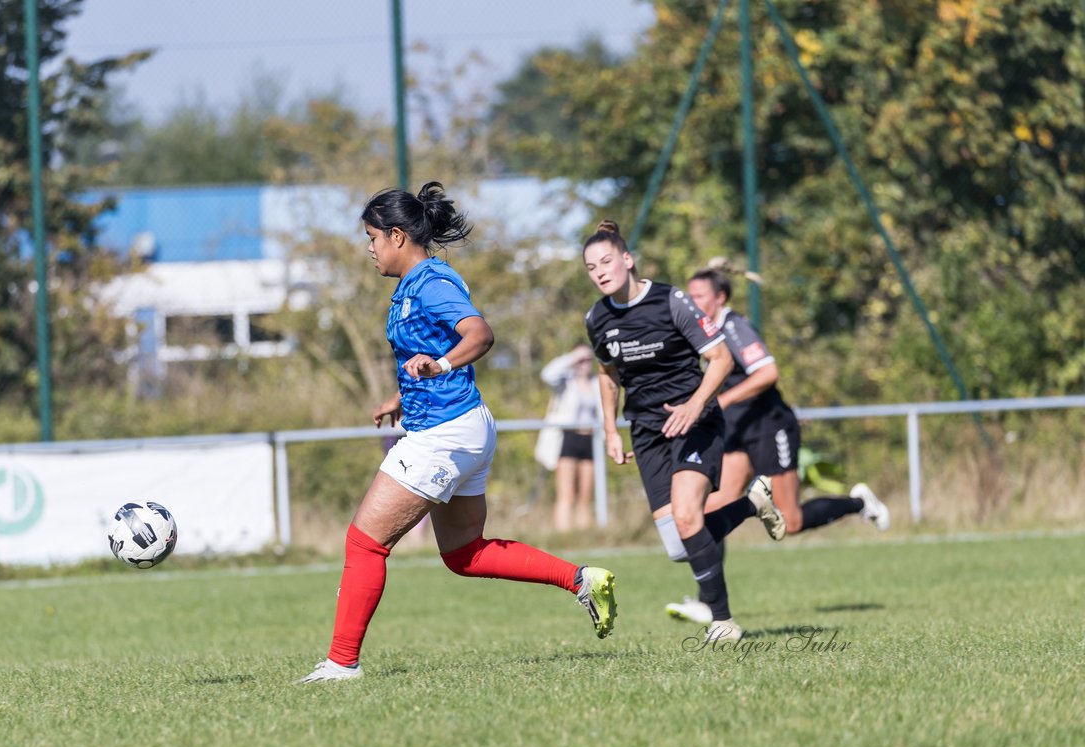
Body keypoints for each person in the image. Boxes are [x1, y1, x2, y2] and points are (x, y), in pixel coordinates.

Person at [299, 182, 618, 683]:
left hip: (445, 435)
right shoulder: (413, 286)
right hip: (459, 427)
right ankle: (582, 579)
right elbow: (426, 354)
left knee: (364, 543)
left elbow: (479, 333)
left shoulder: (430, 282)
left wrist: (442, 364)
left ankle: (341, 664)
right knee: (464, 553)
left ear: (398, 236)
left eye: (372, 237)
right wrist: (403, 395)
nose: (369, 248)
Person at [580, 221, 786, 643]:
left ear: (627, 259)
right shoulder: (597, 318)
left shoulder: (670, 300)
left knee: (690, 517)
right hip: (647, 431)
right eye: (590, 267)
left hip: (696, 420)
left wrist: (696, 405)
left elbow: (722, 358)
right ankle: (750, 504)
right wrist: (610, 430)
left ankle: (723, 622)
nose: (599, 272)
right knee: (679, 546)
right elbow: (607, 374)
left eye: (606, 262)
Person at [665, 262, 891, 627]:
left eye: (698, 297)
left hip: (771, 428)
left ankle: (858, 502)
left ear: (720, 298)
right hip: (737, 433)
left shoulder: (734, 327)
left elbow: (767, 373)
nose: (692, 303)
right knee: (706, 513)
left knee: (791, 521)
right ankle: (710, 602)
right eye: (688, 297)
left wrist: (719, 401)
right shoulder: (702, 332)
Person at [538, 344, 603, 531]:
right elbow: (547, 374)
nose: (584, 364)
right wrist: (572, 357)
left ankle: (585, 535)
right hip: (568, 439)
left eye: (587, 360)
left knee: (586, 495)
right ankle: (563, 535)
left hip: (590, 440)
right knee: (566, 494)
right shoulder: (565, 381)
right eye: (581, 360)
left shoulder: (596, 383)